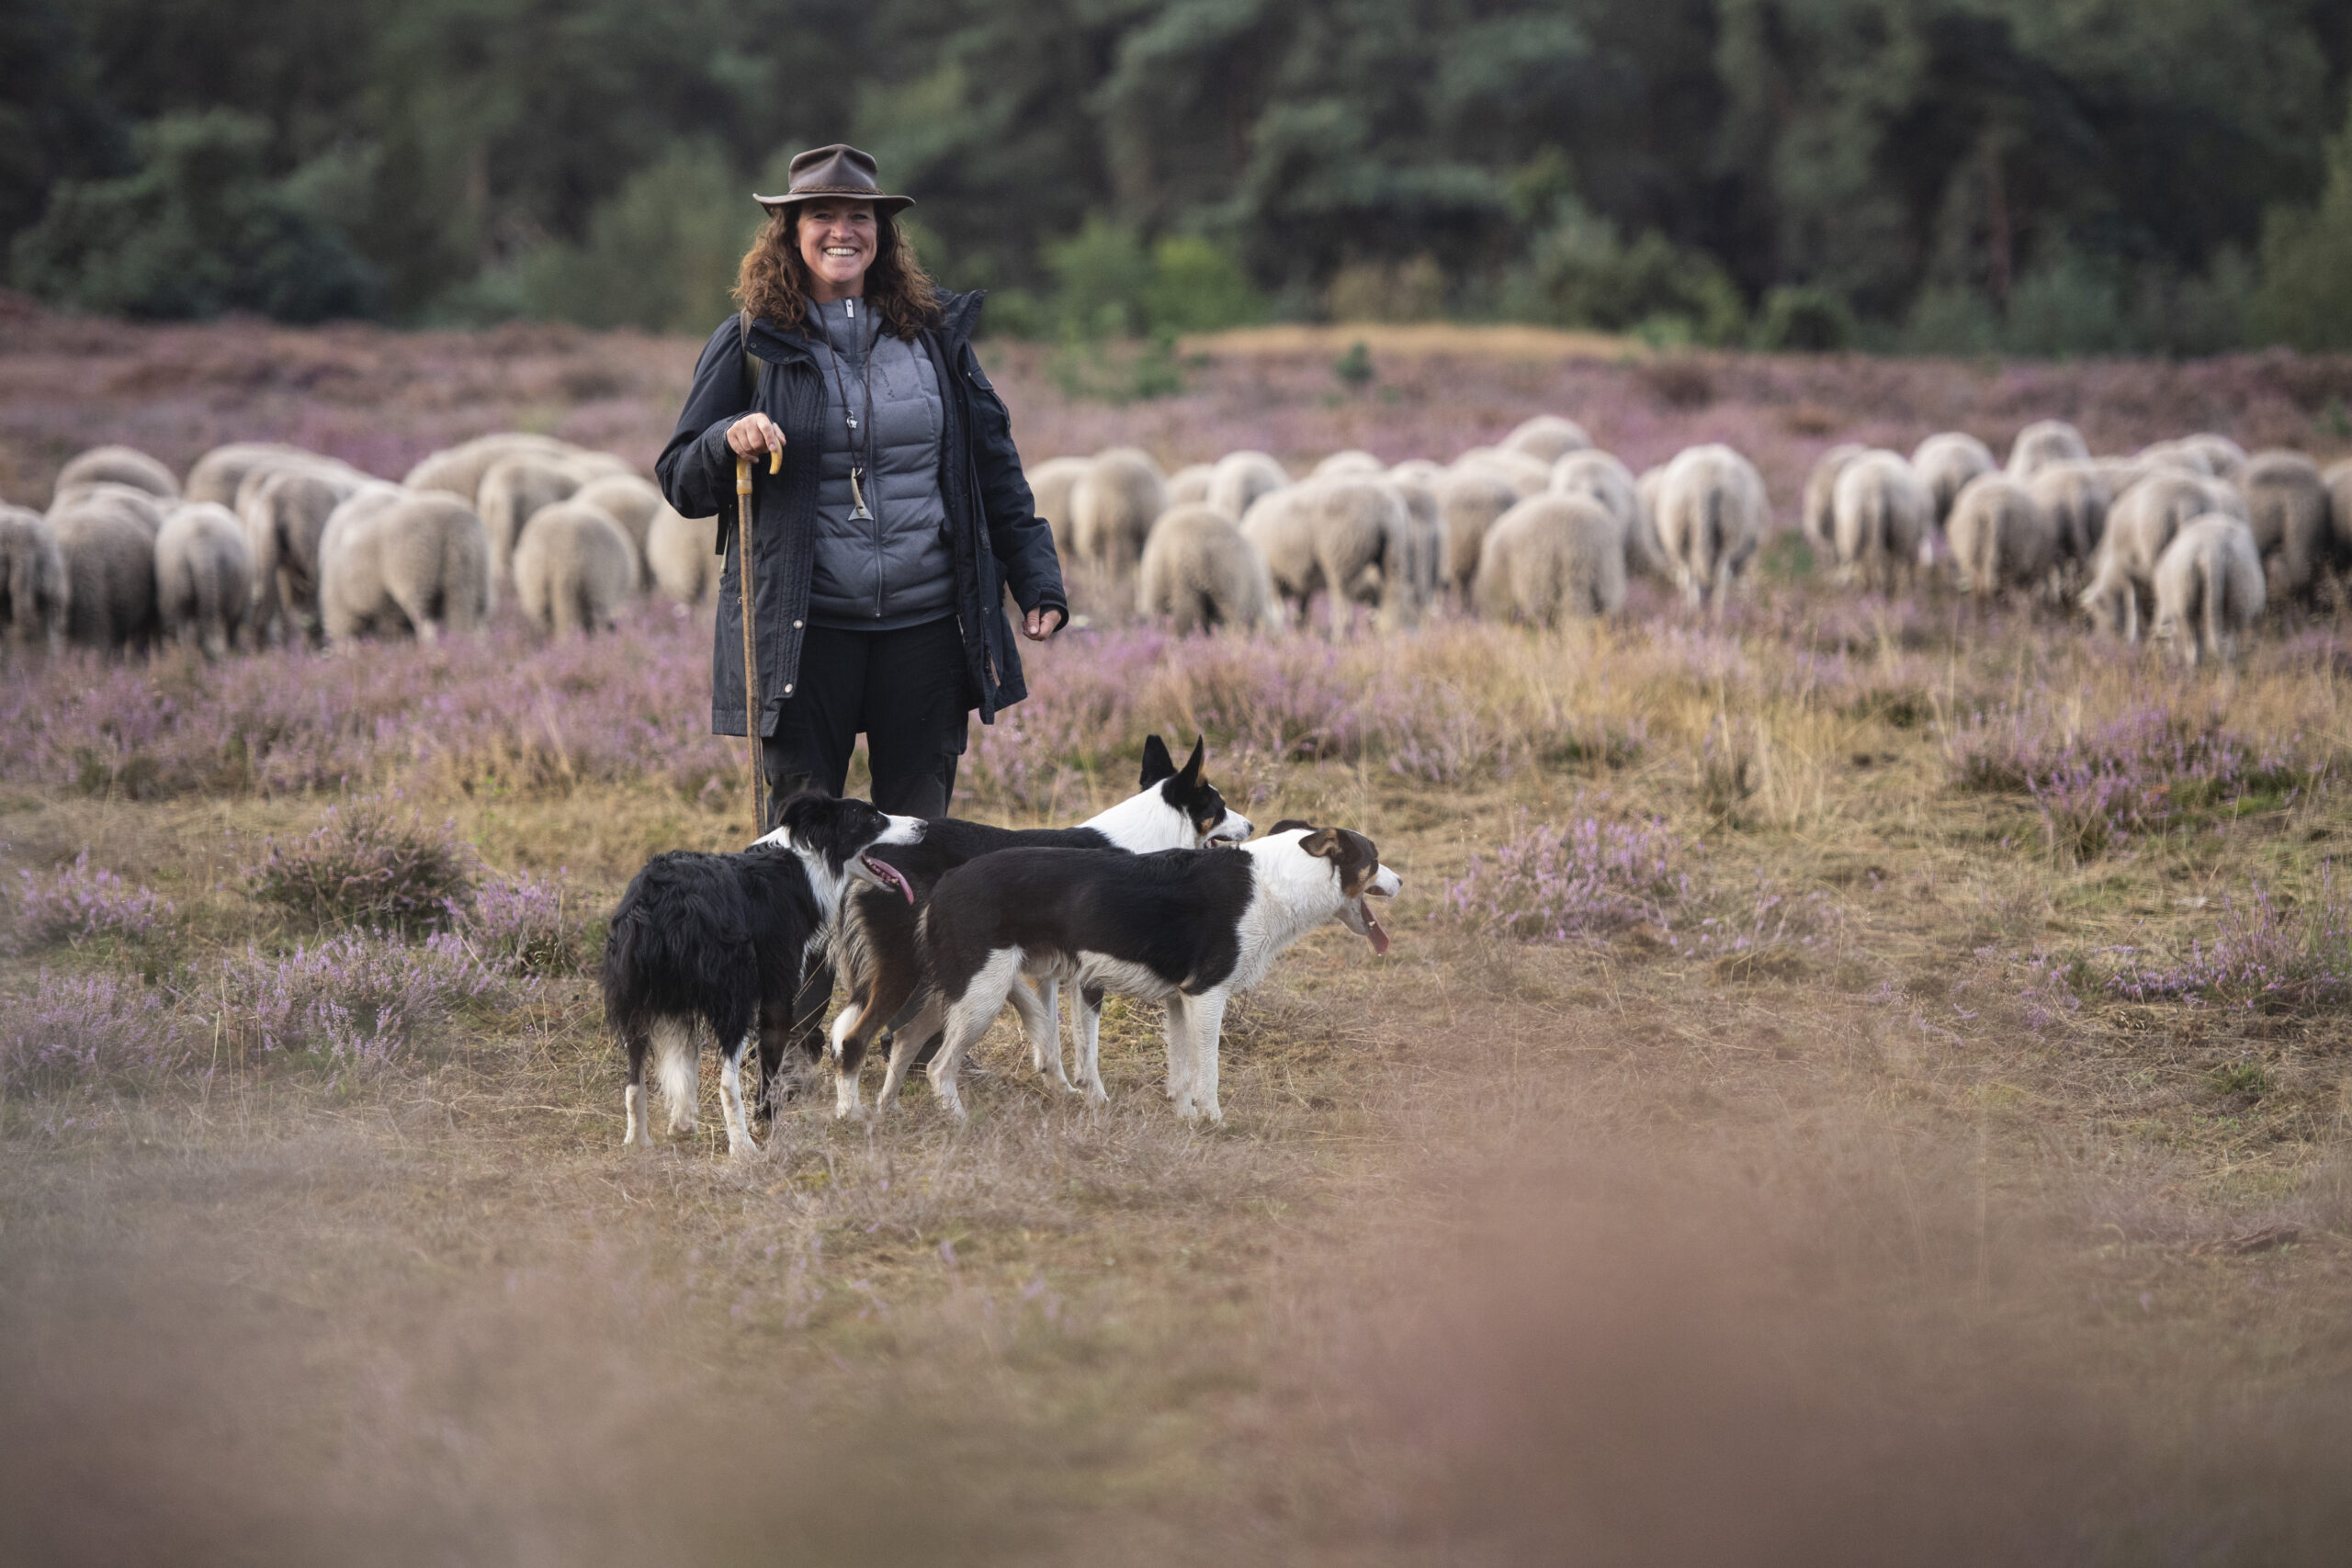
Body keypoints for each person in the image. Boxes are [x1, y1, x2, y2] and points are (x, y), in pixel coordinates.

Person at [656, 142, 1066, 825]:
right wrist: (726, 441)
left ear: (883, 234)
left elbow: (992, 464)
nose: (842, 230)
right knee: (800, 846)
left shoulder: (935, 339)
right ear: (791, 233)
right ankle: (812, 941)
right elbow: (680, 478)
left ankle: (897, 940)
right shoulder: (754, 342)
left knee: (916, 843)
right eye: (822, 214)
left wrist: (1037, 578)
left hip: (928, 625)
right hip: (806, 632)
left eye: (860, 215)